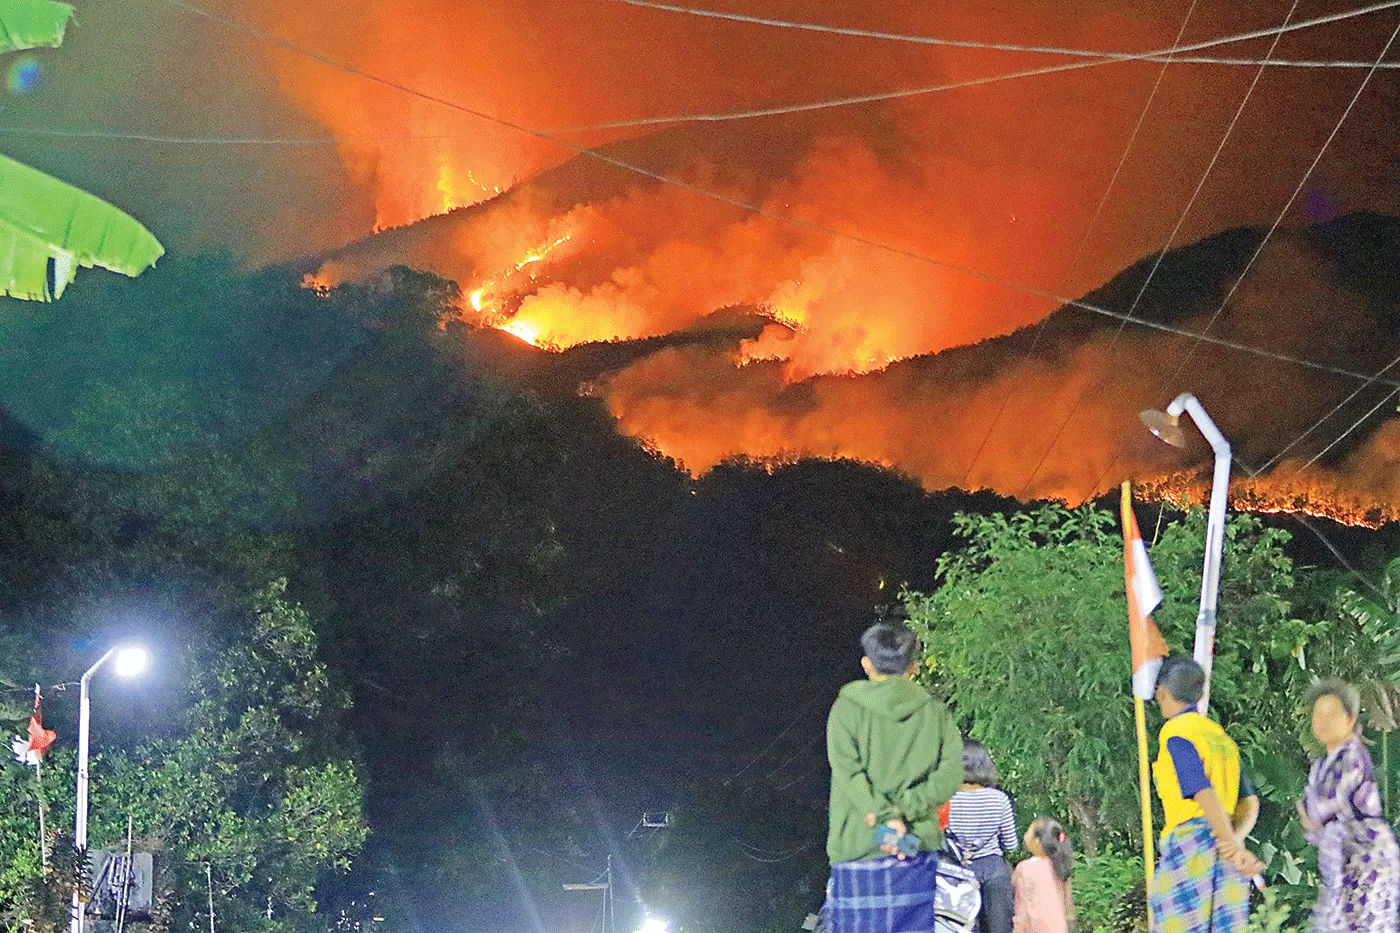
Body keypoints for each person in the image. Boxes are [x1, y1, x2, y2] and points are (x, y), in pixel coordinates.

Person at [823, 621, 964, 933]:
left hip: (858, 844)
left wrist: (886, 818)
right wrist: (905, 809)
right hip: (914, 847)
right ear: (913, 667)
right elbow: (951, 774)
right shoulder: (936, 713)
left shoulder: (846, 709)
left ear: (866, 664)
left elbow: (848, 772)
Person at [1149, 656, 1264, 933]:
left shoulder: (1176, 732)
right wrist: (1232, 842)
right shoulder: (1220, 737)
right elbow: (1249, 801)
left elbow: (1201, 790)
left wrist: (1228, 842)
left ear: (1162, 692)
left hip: (1190, 844)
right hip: (1226, 843)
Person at [1298, 678, 1400, 933]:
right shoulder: (1322, 763)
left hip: (1365, 857)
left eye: (1332, 714)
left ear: (1350, 719)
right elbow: (1314, 825)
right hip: (1341, 857)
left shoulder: (1351, 755)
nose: (1323, 721)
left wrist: (1312, 819)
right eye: (1318, 714)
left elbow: (1321, 810)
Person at [946, 740, 1018, 933]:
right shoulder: (999, 799)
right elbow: (1011, 844)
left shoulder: (946, 799)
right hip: (994, 869)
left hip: (957, 870)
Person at [1013, 817, 1074, 933]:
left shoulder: (1025, 868)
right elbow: (1068, 908)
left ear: (1037, 841)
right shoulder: (1061, 867)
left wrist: (1018, 929)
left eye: (1028, 832)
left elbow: (1022, 907)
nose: (1025, 835)